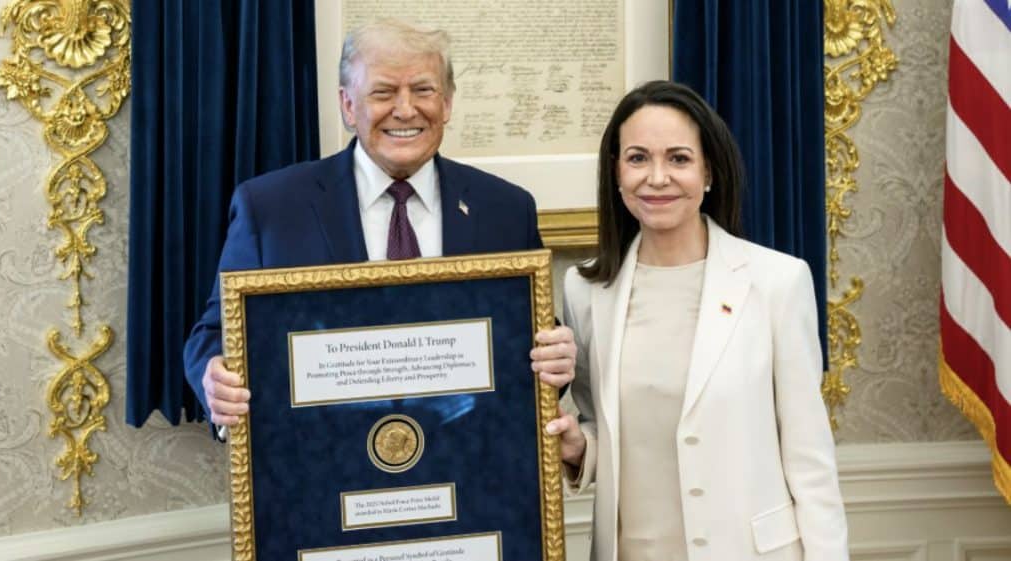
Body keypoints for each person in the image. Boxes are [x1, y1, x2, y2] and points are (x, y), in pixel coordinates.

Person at [183, 19, 576, 428]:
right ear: (348, 105)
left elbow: (531, 342)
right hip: (320, 467)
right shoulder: (270, 209)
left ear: (447, 102)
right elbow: (213, 335)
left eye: (423, 90)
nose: (405, 109)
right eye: (383, 92)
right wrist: (215, 378)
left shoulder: (506, 209)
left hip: (467, 465)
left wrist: (557, 358)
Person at [545, 81, 848, 561]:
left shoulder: (777, 282)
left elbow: (809, 456)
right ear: (616, 173)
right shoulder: (585, 290)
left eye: (679, 159)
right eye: (638, 158)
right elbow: (603, 426)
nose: (657, 178)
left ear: (708, 172)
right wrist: (581, 448)